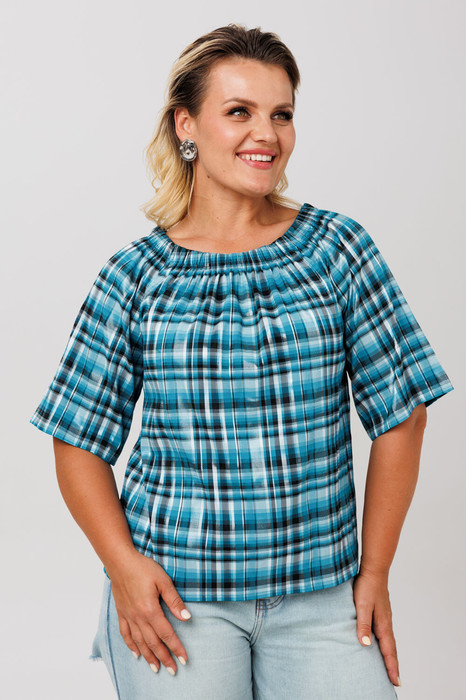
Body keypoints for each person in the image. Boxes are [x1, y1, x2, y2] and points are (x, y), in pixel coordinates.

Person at [29, 24, 454, 700]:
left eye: (281, 114)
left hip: (323, 593)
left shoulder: (337, 250)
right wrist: (124, 569)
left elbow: (402, 414)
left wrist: (373, 574)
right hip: (175, 598)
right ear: (186, 125)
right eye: (239, 112)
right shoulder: (135, 275)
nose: (267, 134)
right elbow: (77, 439)